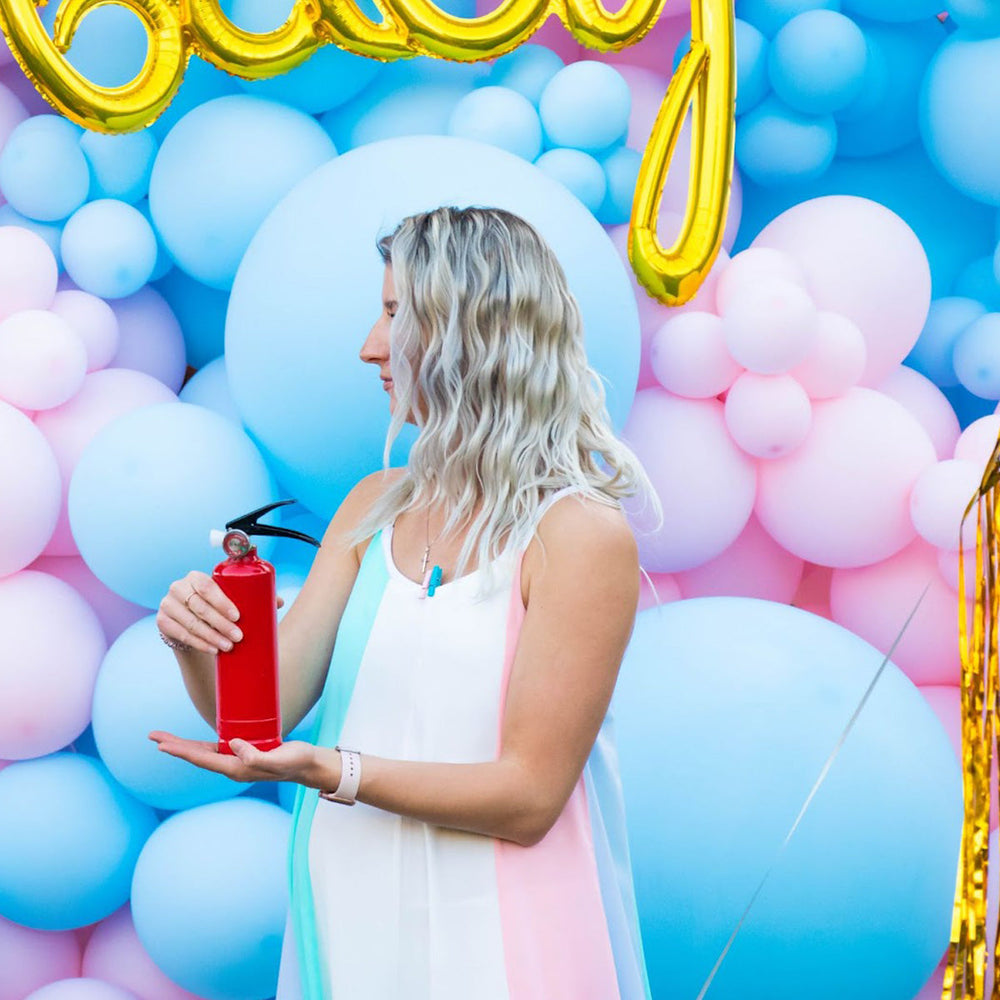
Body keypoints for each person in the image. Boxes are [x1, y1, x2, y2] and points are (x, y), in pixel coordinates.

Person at [151, 206, 663, 1000]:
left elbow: (529, 797)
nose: (369, 345)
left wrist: (334, 770)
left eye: (396, 314)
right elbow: (264, 714)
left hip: (506, 940)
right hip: (349, 915)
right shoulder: (372, 506)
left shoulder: (578, 533)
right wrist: (192, 639)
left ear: (478, 330)